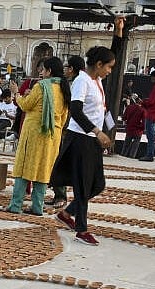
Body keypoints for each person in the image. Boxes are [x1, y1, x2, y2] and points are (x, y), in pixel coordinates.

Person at [54, 46, 116, 246]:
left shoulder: (96, 80)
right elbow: (76, 110)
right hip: (81, 138)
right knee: (83, 185)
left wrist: (119, 32)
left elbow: (113, 51)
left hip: (91, 140)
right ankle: (81, 229)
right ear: (98, 65)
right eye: (108, 67)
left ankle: (66, 213)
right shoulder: (82, 81)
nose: (109, 71)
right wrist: (97, 132)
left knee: (98, 184)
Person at [4, 56, 68, 218]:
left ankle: (16, 204)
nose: (41, 72)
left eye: (42, 69)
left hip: (34, 133)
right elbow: (64, 116)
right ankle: (37, 207)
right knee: (43, 169)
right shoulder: (64, 88)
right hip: (53, 135)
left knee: (24, 167)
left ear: (49, 71)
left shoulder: (41, 86)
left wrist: (16, 93)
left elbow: (26, 105)